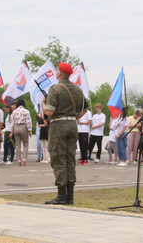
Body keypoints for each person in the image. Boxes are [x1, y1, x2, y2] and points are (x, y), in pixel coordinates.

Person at [43, 62, 84, 205]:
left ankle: (61, 195)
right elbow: (82, 111)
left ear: (59, 73)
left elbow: (49, 112)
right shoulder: (78, 90)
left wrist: (43, 103)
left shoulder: (55, 89)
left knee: (58, 157)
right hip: (72, 125)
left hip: (58, 126)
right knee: (70, 158)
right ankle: (70, 196)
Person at [11, 98, 33, 166]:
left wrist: (11, 131)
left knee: (17, 144)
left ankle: (18, 159)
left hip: (16, 127)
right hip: (23, 127)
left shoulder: (14, 112)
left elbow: (12, 122)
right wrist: (30, 130)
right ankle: (24, 158)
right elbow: (28, 121)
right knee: (25, 143)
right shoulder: (26, 111)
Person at [76, 100, 92, 164]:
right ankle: (82, 158)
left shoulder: (88, 112)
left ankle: (85, 158)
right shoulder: (79, 113)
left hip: (85, 130)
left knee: (84, 145)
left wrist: (82, 123)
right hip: (79, 130)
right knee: (81, 145)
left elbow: (90, 122)